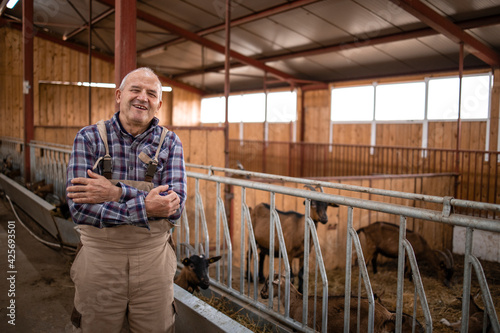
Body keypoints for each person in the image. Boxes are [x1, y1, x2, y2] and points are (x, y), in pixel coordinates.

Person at [66, 67, 187, 333]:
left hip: (153, 262)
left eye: (151, 93)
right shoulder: (88, 138)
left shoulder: (170, 143)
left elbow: (174, 207)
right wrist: (145, 205)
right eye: (135, 90)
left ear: (159, 104)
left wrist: (116, 193)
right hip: (100, 262)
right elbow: (79, 209)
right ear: (119, 95)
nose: (142, 98)